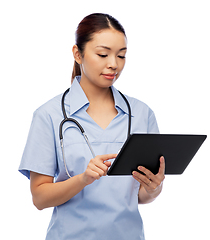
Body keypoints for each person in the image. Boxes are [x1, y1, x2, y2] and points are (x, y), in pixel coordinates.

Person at [19, 13, 165, 240]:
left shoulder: (142, 114)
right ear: (78, 54)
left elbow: (140, 196)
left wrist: (154, 188)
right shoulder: (49, 115)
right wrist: (82, 179)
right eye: (103, 54)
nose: (114, 64)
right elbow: (39, 198)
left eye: (121, 55)